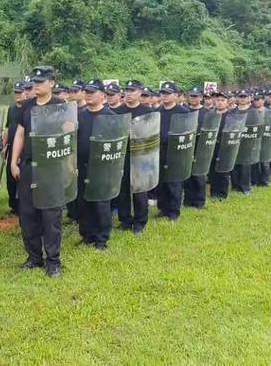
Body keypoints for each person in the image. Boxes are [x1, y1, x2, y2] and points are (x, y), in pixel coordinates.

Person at [11, 66, 67, 277]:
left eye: (41, 81)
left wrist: (68, 164)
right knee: (28, 213)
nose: (36, 84)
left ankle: (53, 261)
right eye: (34, 81)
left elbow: (68, 134)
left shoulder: (60, 105)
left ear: (52, 83)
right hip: (29, 166)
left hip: (51, 166)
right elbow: (19, 135)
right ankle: (34, 257)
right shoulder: (26, 106)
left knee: (51, 214)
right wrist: (13, 162)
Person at [76, 79, 115, 249]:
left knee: (101, 202)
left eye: (92, 92)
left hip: (102, 167)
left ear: (102, 95)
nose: (88, 95)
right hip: (82, 166)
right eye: (86, 92)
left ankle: (101, 238)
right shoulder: (80, 115)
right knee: (84, 202)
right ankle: (87, 234)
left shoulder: (111, 117)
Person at [114, 80, 153, 233]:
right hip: (123, 155)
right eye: (127, 90)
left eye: (132, 90)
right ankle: (125, 220)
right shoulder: (118, 111)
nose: (129, 93)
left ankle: (140, 222)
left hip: (141, 155)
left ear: (140, 92)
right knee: (122, 189)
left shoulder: (147, 112)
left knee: (140, 190)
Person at [158, 81, 190, 220]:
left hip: (176, 151)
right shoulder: (157, 111)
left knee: (174, 182)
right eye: (163, 93)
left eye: (168, 93)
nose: (164, 96)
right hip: (160, 150)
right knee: (162, 181)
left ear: (176, 95)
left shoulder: (183, 112)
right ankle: (163, 208)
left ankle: (173, 211)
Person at [3, 81, 26, 215]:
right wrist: (3, 145)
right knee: (10, 177)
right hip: (11, 147)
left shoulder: (27, 109)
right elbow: (7, 128)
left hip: (22, 148)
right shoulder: (12, 109)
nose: (17, 95)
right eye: (16, 92)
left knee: (21, 177)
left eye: (20, 92)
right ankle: (13, 205)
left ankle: (22, 204)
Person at [184, 87, 207, 208]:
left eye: (196, 96)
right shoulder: (184, 111)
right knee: (187, 174)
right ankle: (188, 200)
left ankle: (199, 201)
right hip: (187, 146)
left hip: (200, 147)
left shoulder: (206, 112)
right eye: (191, 96)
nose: (193, 98)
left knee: (199, 175)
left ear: (201, 98)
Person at [209, 91, 232, 200]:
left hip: (225, 146)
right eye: (217, 100)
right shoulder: (210, 114)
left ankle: (222, 193)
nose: (219, 102)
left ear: (227, 102)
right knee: (212, 170)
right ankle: (214, 192)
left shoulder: (231, 116)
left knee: (223, 171)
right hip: (212, 145)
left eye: (222, 100)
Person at [231, 90, 253, 195]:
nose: (242, 98)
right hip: (235, 140)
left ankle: (245, 187)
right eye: (240, 96)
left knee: (245, 165)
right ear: (237, 98)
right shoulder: (232, 112)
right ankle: (235, 185)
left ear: (249, 98)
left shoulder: (253, 112)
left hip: (247, 141)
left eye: (245, 96)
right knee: (234, 163)